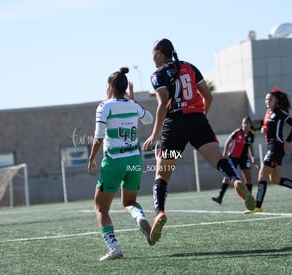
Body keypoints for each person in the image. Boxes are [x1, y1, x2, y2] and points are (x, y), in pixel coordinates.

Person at [142, 38, 256, 244]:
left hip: (174, 125)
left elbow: (162, 104)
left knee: (162, 174)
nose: (152, 59)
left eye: (152, 55)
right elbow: (208, 96)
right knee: (219, 159)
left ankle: (159, 212)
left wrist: (154, 134)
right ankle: (237, 181)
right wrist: (200, 117)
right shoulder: (190, 67)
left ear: (159, 53)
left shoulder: (158, 74)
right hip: (197, 120)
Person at [87, 67, 154, 261]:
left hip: (114, 162)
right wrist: (134, 102)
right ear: (125, 88)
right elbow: (149, 119)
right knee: (130, 202)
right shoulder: (133, 106)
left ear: (110, 87)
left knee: (101, 208)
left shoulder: (104, 107)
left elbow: (99, 137)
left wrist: (91, 160)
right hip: (134, 160)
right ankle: (139, 217)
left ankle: (114, 247)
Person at [245, 87, 292, 213]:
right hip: (271, 147)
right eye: (266, 99)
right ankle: (258, 206)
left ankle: (257, 206)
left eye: (270, 99)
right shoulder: (268, 113)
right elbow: (267, 127)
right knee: (275, 180)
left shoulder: (280, 113)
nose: (267, 101)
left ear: (276, 100)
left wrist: (288, 141)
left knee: (262, 175)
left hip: (277, 147)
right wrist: (263, 129)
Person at [212, 117, 258, 204]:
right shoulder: (237, 132)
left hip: (244, 158)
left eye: (247, 123)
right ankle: (220, 197)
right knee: (227, 176)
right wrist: (225, 154)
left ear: (250, 124)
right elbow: (228, 142)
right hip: (233, 158)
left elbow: (250, 147)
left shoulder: (251, 135)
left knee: (248, 178)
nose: (245, 125)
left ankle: (249, 198)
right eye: (244, 123)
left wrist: (252, 157)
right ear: (242, 124)